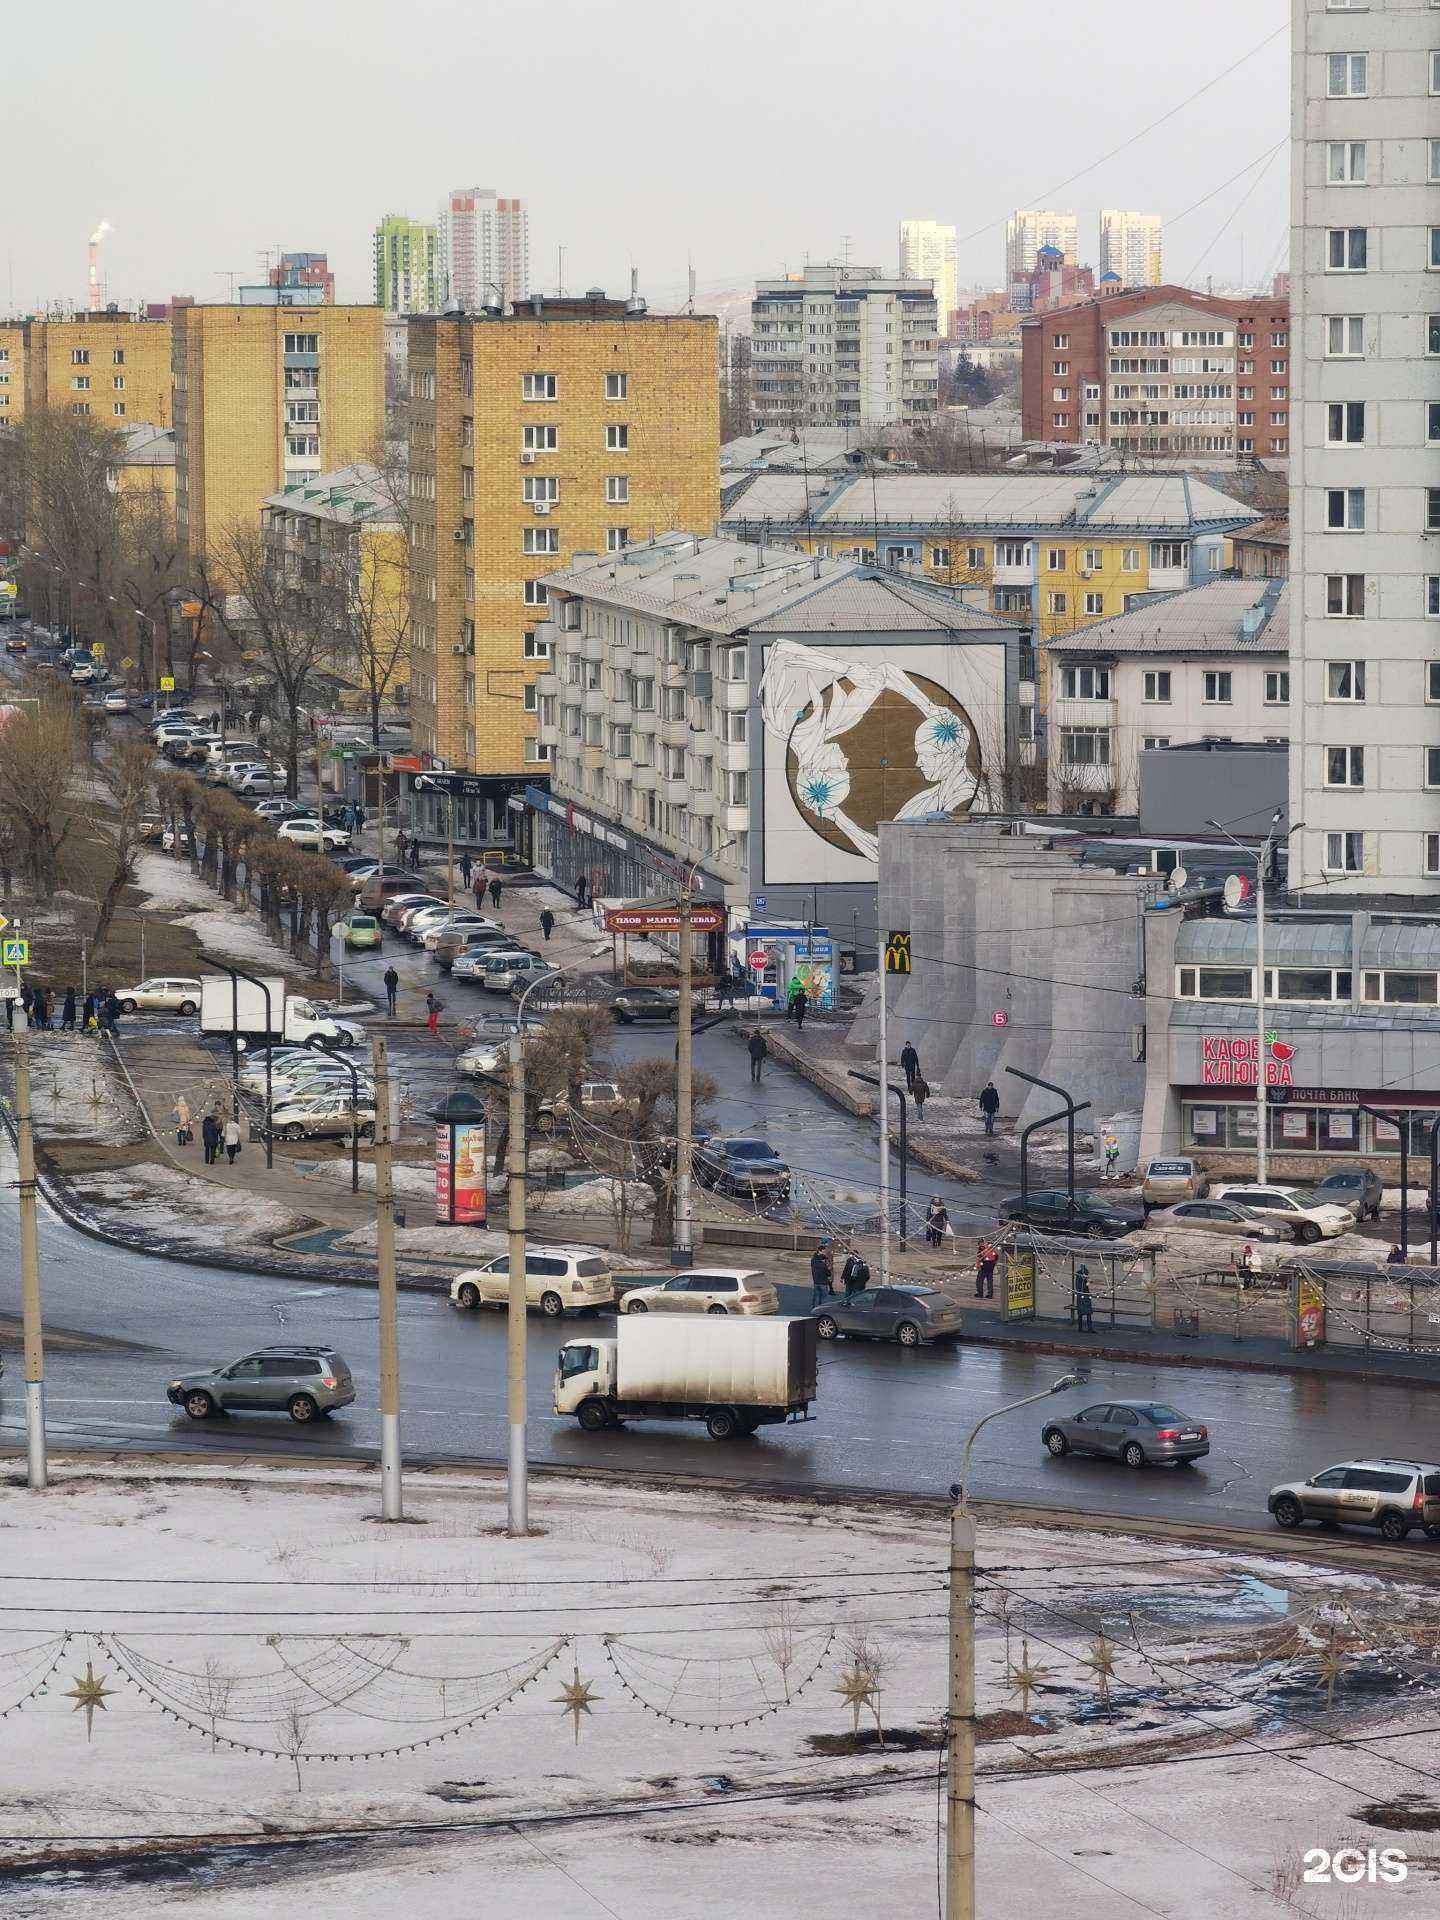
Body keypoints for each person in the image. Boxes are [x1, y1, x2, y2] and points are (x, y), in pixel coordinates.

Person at [809, 1241, 834, 1310]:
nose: (825, 1252)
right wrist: (827, 1268)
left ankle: (815, 1308)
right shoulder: (820, 1261)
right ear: (820, 1251)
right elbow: (826, 1270)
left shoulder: (814, 1258)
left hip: (816, 1280)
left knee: (816, 1296)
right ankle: (821, 1309)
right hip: (822, 1281)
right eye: (824, 1251)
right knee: (823, 1297)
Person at [1073, 1263, 1094, 1332]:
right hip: (1082, 1298)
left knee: (1088, 1313)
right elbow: (1080, 1289)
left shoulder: (1082, 1279)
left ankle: (1089, 1328)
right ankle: (1081, 1328)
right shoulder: (1079, 1280)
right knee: (1081, 1313)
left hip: (1085, 1298)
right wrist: (1087, 1284)